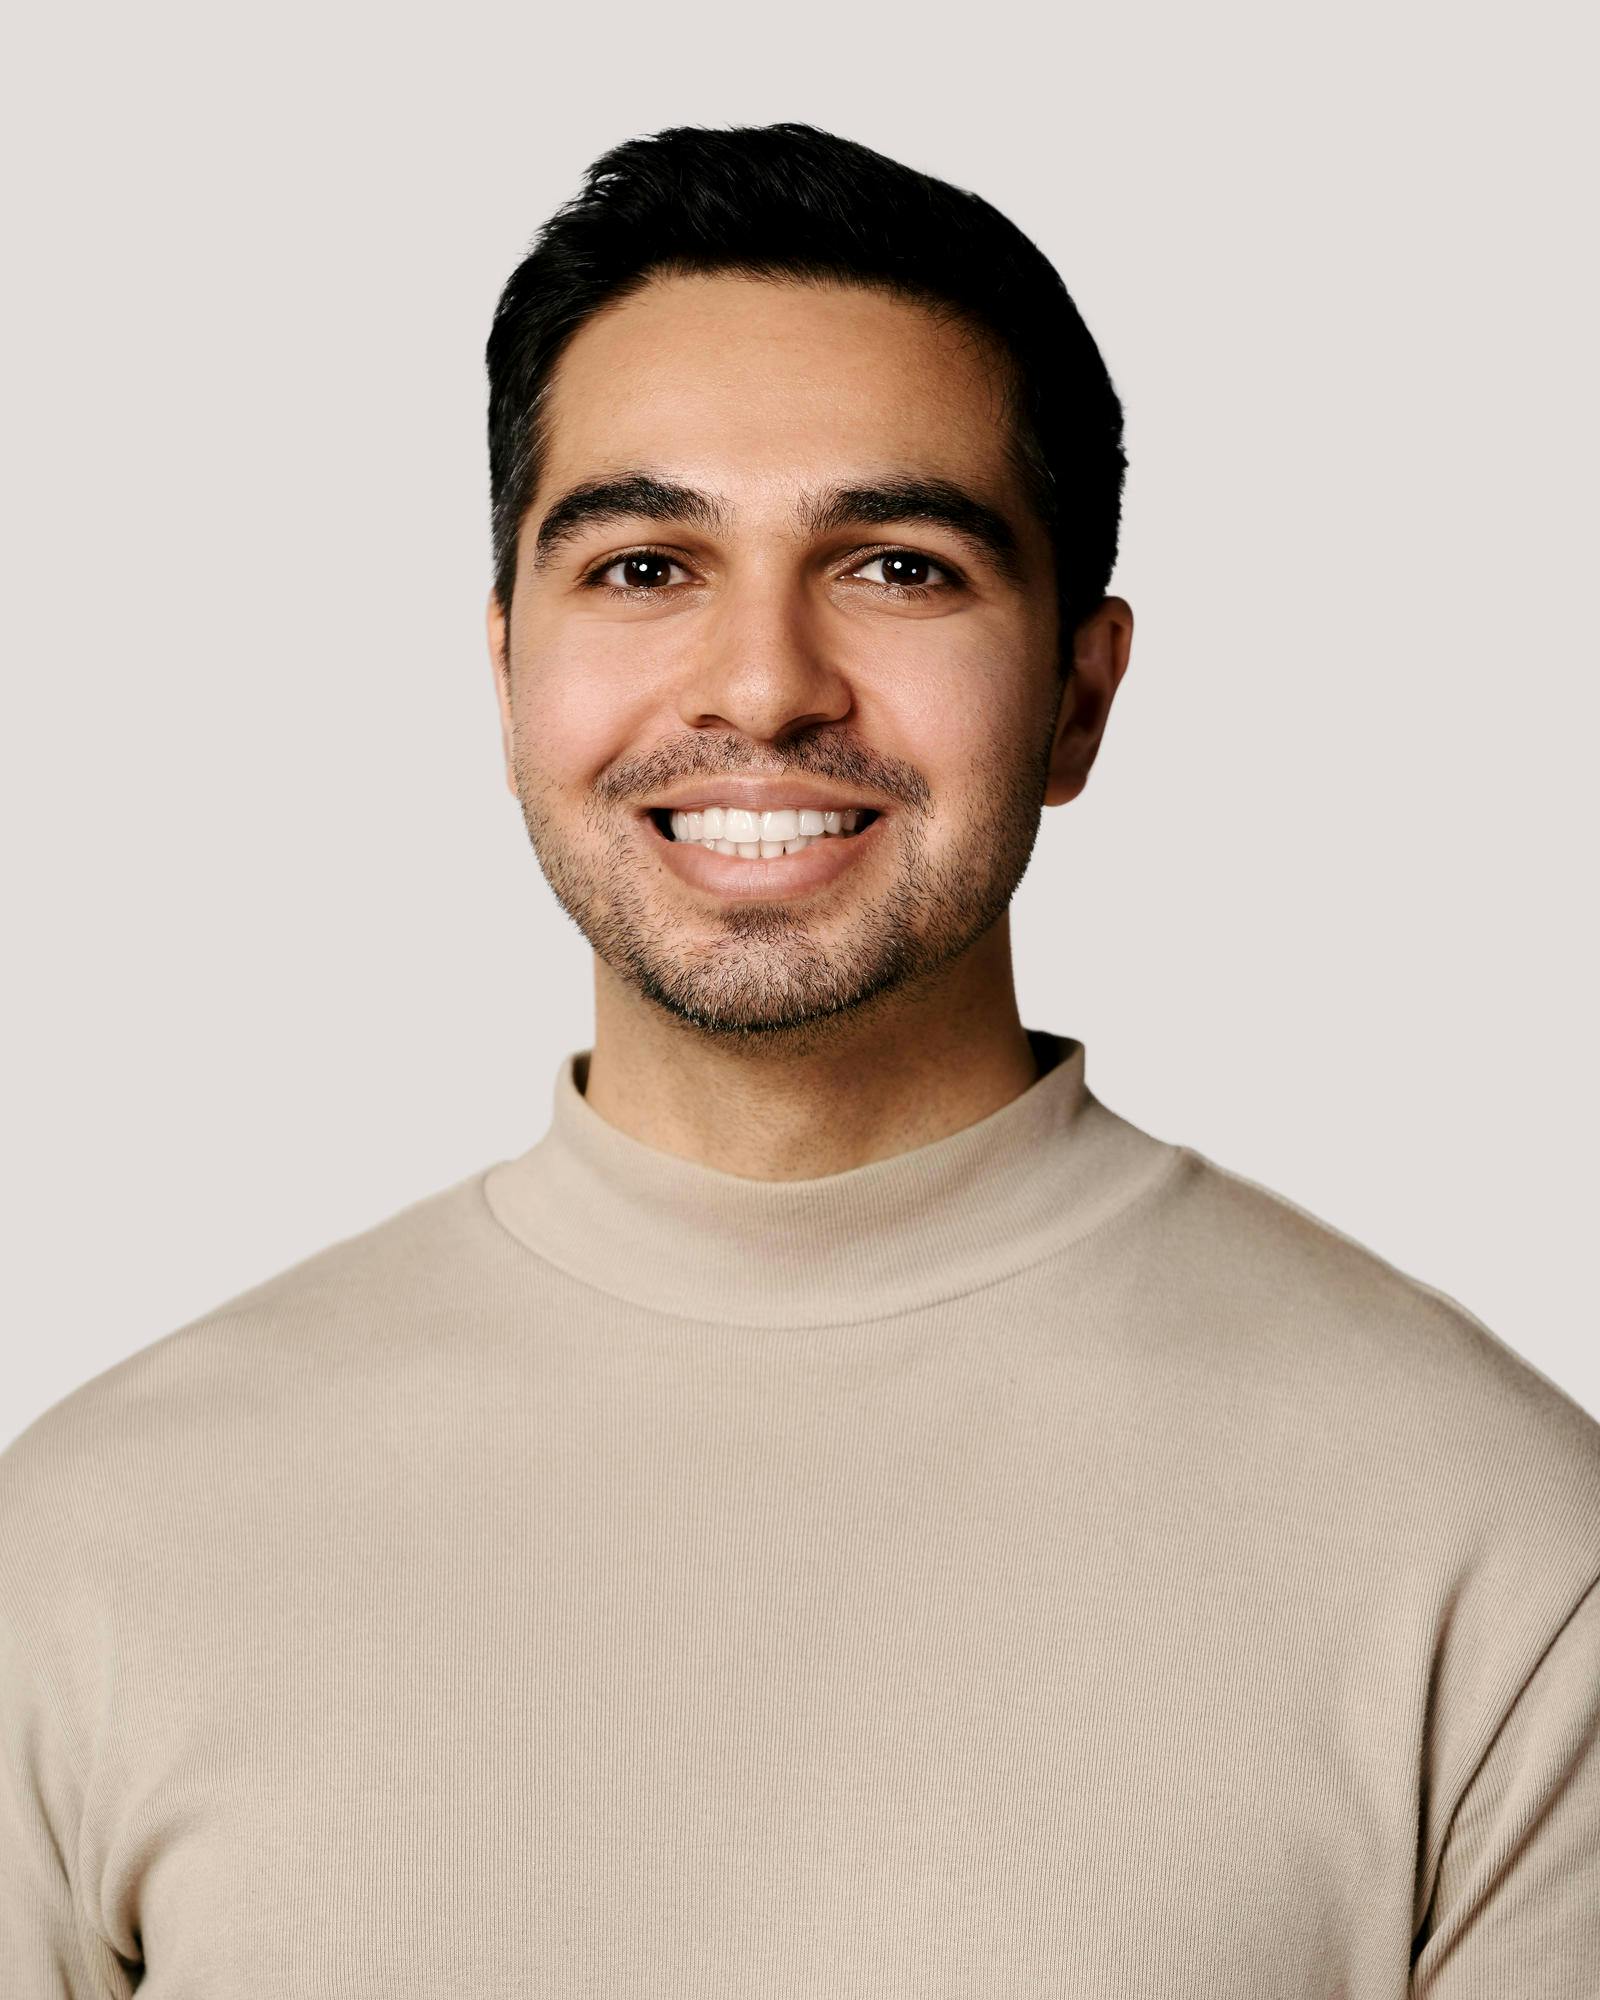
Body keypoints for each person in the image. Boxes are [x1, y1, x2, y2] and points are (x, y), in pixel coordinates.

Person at [2, 122, 1595, 1998]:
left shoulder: (1494, 1553)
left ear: (1079, 697)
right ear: (507, 670)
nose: (762, 684)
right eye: (645, 565)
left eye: (900, 566)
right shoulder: (89, 1549)